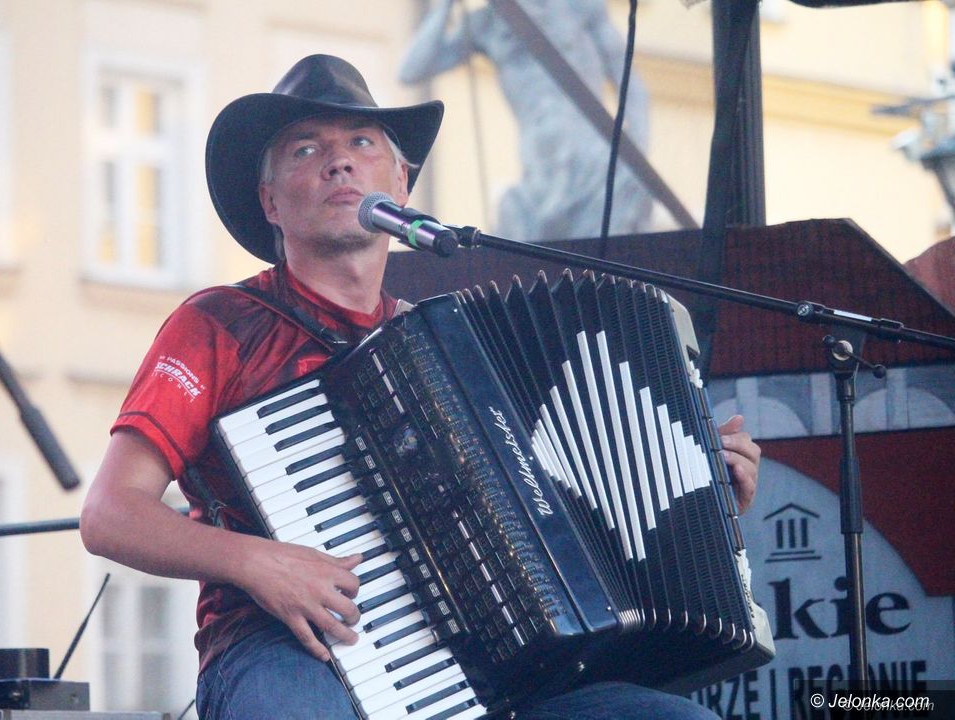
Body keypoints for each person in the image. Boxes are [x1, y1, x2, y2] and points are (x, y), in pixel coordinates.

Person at [80, 54, 760, 720]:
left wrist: (696, 487)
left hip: (476, 668)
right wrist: (262, 564)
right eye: (305, 149)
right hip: (285, 647)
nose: (339, 162)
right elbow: (110, 514)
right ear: (270, 202)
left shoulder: (452, 350)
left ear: (401, 184)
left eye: (362, 142)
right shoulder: (220, 324)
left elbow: (563, 509)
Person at [399, 0, 652, 241]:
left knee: (604, 249)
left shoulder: (579, 5)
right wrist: (446, 4)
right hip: (538, 161)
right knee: (534, 248)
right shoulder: (488, 23)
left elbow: (628, 79)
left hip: (592, 153)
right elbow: (412, 70)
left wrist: (636, 156)